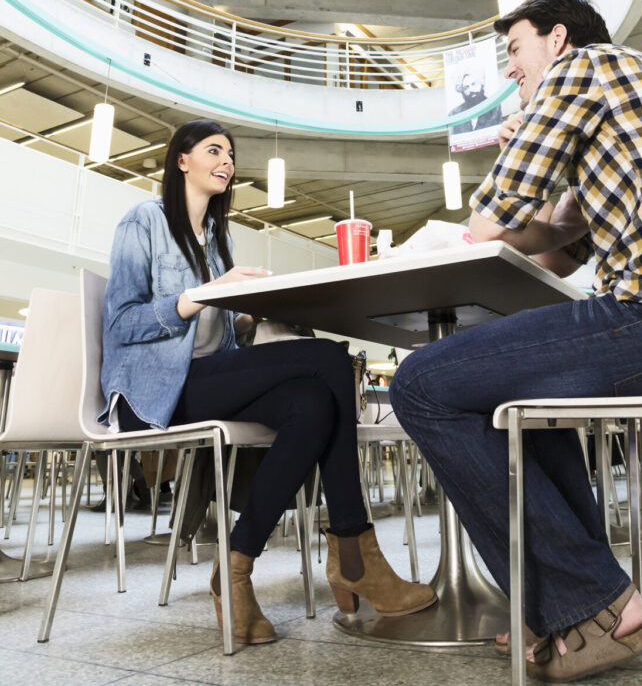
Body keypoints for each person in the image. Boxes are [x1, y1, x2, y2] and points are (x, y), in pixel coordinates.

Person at [390, 0, 642, 682]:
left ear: (556, 39)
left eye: (514, 51)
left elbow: (489, 223)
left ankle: (592, 599)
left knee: (420, 382)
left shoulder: (585, 71)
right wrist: (538, 186)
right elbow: (556, 248)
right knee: (512, 388)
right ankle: (564, 603)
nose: (511, 71)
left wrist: (518, 145)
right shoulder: (632, 88)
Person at [101, 119, 435, 645]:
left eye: (231, 154)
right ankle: (354, 552)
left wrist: (248, 315)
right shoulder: (143, 220)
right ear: (181, 161)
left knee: (313, 403)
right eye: (214, 150)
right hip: (156, 391)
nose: (226, 161)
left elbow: (220, 340)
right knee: (327, 358)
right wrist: (204, 294)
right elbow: (120, 324)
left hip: (205, 381)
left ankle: (234, 569)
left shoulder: (218, 237)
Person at [448, 69, 504, 136]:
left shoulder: (495, 107)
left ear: (481, 84)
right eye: (466, 87)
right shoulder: (454, 114)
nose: (471, 90)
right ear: (462, 91)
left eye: (473, 84)